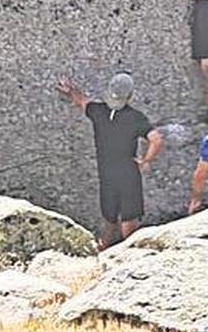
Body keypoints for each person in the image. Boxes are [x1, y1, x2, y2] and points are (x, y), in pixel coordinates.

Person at [57, 71, 163, 249]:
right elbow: (156, 139)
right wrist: (145, 161)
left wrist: (70, 90)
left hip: (106, 173)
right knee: (129, 221)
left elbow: (81, 101)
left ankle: (104, 248)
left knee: (110, 217)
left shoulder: (98, 112)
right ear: (129, 95)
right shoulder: (136, 118)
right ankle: (131, 255)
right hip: (128, 173)